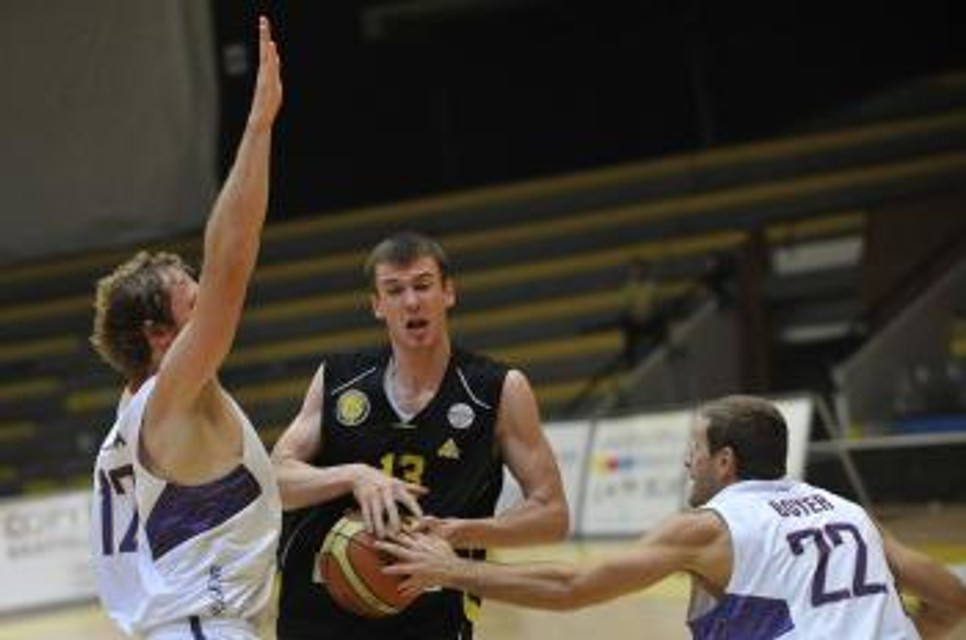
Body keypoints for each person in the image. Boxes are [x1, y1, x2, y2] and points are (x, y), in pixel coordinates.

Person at [380, 395, 966, 639]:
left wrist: (454, 571)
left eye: (696, 448)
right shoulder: (850, 513)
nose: (688, 461)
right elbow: (951, 600)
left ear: (725, 461)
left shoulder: (708, 529)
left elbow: (573, 585)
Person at [270, 231, 570, 640]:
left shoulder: (496, 389)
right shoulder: (340, 379)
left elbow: (551, 515)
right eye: (394, 290)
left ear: (448, 293)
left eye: (423, 285)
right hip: (318, 614)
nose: (411, 301)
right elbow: (275, 481)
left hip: (431, 618)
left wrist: (457, 532)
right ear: (377, 305)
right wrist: (354, 476)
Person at [89, 17, 282, 640]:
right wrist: (258, 127)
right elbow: (232, 260)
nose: (212, 311)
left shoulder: (141, 415)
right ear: (160, 336)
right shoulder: (169, 397)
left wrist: (347, 477)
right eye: (195, 304)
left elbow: (238, 499)